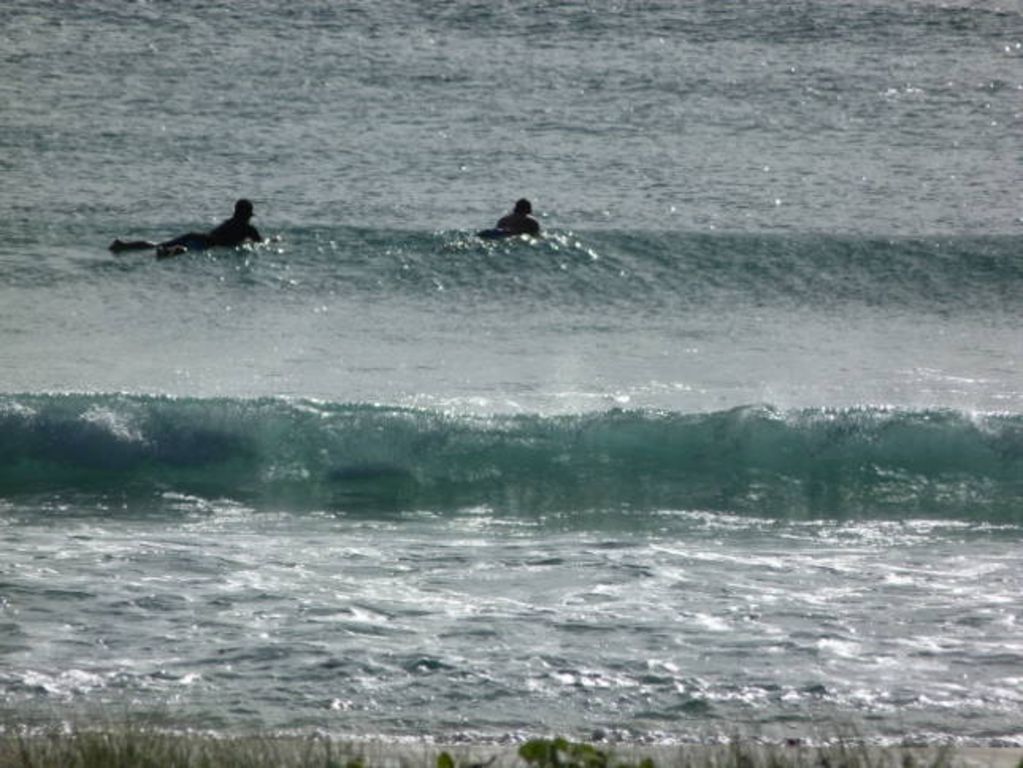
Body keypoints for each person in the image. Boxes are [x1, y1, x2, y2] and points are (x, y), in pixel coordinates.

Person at [109, 199, 263, 258]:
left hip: (197, 236)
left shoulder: (230, 222)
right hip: (207, 244)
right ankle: (167, 253)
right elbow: (260, 244)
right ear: (247, 215)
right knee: (186, 250)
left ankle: (123, 245)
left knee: (159, 244)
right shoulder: (248, 229)